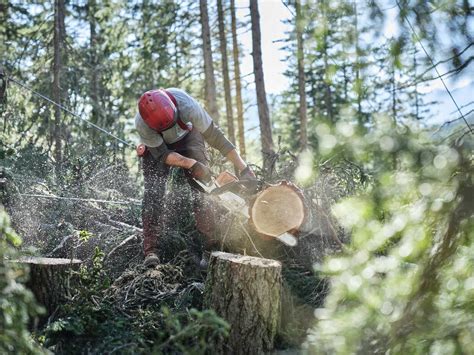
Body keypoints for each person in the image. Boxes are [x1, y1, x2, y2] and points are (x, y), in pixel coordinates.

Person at [135, 88, 255, 267]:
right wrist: (191, 164)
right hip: (159, 148)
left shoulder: (187, 105)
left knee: (204, 192)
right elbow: (163, 155)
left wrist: (243, 168)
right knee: (153, 193)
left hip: (188, 136)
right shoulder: (142, 123)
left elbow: (217, 138)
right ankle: (151, 251)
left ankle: (211, 248)